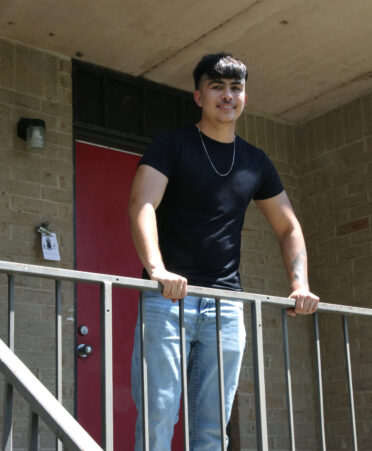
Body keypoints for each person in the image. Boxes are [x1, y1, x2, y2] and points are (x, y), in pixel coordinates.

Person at [128, 53, 319, 450]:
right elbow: (141, 204)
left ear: (245, 97)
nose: (228, 95)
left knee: (215, 427)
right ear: (199, 96)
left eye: (236, 88)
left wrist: (299, 283)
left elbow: (288, 226)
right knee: (159, 414)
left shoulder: (255, 161)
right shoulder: (172, 145)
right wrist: (157, 269)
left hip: (225, 304)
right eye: (217, 87)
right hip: (168, 300)